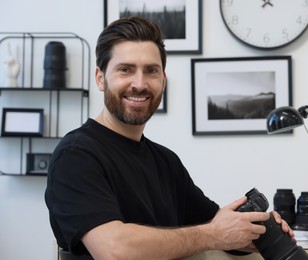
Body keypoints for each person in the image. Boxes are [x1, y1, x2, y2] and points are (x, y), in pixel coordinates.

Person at [45, 16, 294, 259]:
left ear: (162, 80)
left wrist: (251, 232)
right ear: (101, 78)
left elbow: (213, 226)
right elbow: (115, 250)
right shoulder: (76, 155)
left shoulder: (165, 161)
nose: (139, 83)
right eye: (125, 70)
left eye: (151, 71)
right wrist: (213, 234)